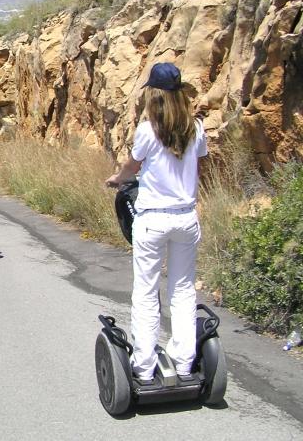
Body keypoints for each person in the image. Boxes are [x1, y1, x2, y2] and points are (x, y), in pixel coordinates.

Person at [105, 62, 208, 383]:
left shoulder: (148, 130)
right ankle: (183, 361)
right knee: (182, 289)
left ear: (153, 94)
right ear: (178, 94)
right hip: (186, 218)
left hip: (153, 220)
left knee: (147, 292)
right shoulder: (196, 128)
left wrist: (115, 180)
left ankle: (144, 366)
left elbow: (131, 167)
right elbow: (199, 165)